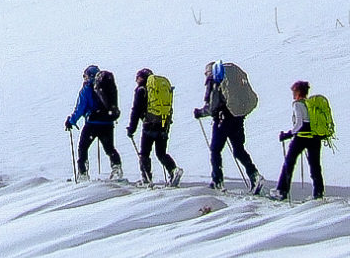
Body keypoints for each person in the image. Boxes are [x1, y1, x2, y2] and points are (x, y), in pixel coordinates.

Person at [192, 60, 262, 192]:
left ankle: (217, 181)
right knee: (239, 149)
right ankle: (255, 176)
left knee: (215, 150)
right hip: (238, 117)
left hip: (222, 120)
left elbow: (212, 106)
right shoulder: (231, 79)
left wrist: (200, 113)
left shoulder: (214, 81)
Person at [65, 64, 123, 180]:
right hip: (107, 123)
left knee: (83, 147)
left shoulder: (86, 90)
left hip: (92, 124)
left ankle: (83, 173)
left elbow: (80, 108)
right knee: (109, 148)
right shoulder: (106, 87)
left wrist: (71, 121)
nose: (84, 78)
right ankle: (116, 168)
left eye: (85, 76)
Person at [126, 67, 182, 187]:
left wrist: (132, 129)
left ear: (141, 78)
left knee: (145, 153)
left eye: (137, 78)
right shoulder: (159, 90)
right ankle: (173, 170)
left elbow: (136, 111)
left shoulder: (141, 90)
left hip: (149, 124)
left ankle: (146, 178)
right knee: (161, 153)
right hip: (163, 123)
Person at [274, 80, 325, 201]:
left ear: (297, 92)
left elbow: (299, 123)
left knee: (289, 163)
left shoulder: (297, 104)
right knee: (315, 165)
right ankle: (318, 192)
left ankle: (282, 190)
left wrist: (288, 134)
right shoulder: (311, 104)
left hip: (301, 137)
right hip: (314, 137)